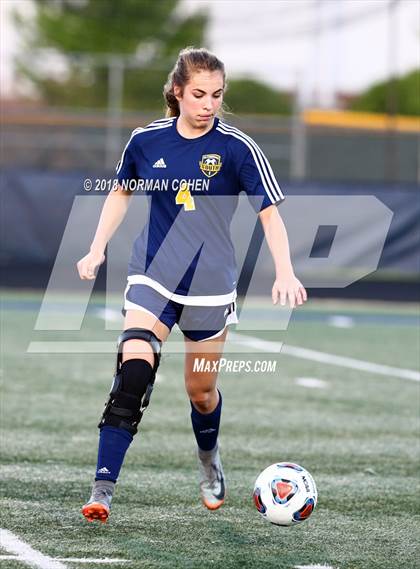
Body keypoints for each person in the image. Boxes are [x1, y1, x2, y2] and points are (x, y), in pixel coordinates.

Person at [77, 47, 307, 523]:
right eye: (199, 94)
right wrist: (96, 248)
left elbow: (270, 214)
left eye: (217, 95)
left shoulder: (238, 148)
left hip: (210, 286)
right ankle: (103, 489)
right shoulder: (145, 141)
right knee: (133, 371)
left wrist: (285, 271)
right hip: (153, 273)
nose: (208, 104)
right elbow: (119, 193)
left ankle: (208, 460)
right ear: (177, 91)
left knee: (201, 393)